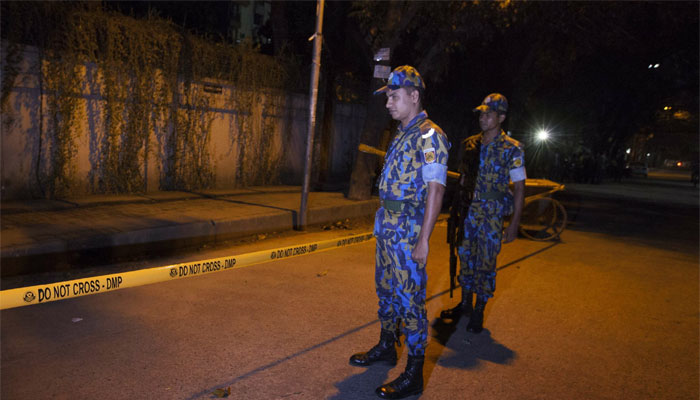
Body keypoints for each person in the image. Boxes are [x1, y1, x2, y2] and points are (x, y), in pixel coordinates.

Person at [348, 65, 449, 399]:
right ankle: (387, 346)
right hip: (388, 229)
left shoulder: (429, 135)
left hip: (408, 232)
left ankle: (414, 374)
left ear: (414, 95)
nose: (388, 102)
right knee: (387, 292)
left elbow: (436, 188)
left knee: (411, 302)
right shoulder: (403, 132)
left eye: (394, 95)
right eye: (388, 96)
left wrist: (424, 240)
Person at [440, 93, 525, 334]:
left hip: (493, 213)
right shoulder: (470, 144)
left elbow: (519, 187)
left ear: (501, 117)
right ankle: (465, 303)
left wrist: (514, 223)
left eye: (489, 114)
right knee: (465, 255)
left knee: (486, 262)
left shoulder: (513, 149)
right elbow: (465, 177)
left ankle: (479, 309)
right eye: (481, 113)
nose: (483, 118)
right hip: (469, 211)